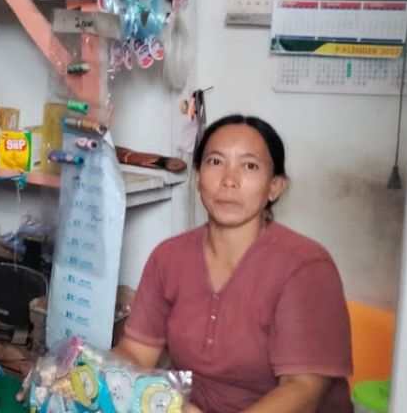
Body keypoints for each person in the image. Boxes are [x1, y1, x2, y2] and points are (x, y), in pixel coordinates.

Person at [114, 115, 353, 413]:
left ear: (275, 187)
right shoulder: (167, 258)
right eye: (215, 162)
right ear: (197, 176)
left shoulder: (305, 267)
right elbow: (136, 354)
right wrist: (93, 379)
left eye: (249, 166)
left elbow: (302, 390)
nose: (229, 179)